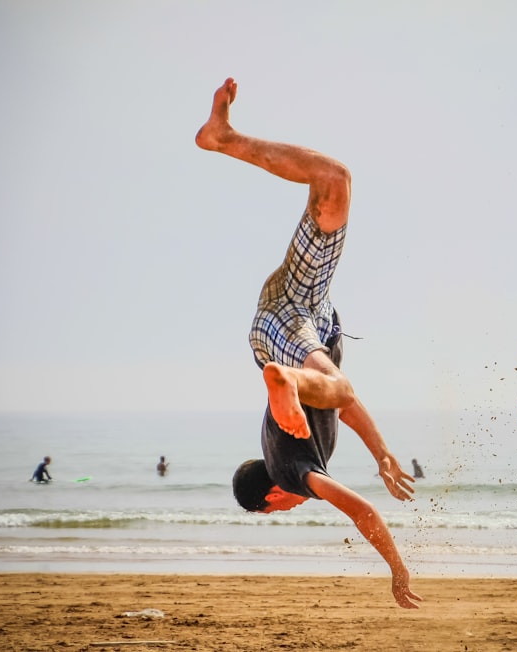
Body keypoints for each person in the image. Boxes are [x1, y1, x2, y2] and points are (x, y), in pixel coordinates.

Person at [196, 77, 421, 609]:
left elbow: (360, 510)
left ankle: (284, 378)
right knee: (334, 182)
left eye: (278, 511)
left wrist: (397, 568)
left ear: (270, 499)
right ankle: (223, 137)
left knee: (336, 386)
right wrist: (383, 453)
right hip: (307, 311)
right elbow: (340, 404)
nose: (289, 509)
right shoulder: (285, 450)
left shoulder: (290, 474)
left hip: (279, 330)